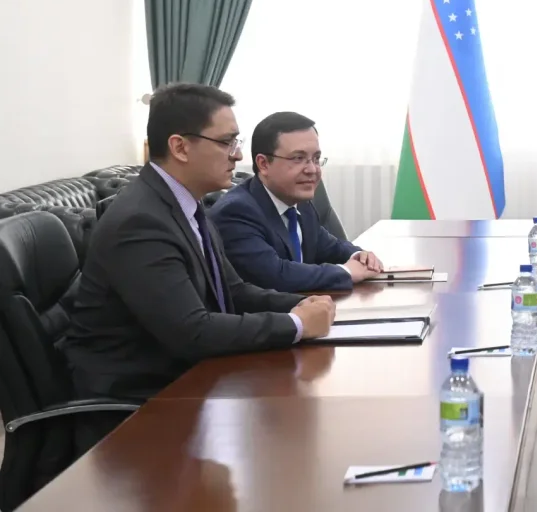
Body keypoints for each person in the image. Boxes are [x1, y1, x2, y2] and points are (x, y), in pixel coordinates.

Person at [62, 84, 336, 418]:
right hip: (140, 405)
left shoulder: (184, 203)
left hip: (189, 378)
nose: (237, 155)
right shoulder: (140, 221)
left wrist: (304, 305)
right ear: (180, 147)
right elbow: (192, 332)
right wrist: (295, 324)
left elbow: (234, 291)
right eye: (226, 142)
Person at [210, 112, 383, 292]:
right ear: (263, 164)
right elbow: (274, 276)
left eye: (316, 159)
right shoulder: (237, 211)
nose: (312, 169)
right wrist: (346, 271)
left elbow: (331, 247)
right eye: (298, 158)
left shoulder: (300, 203)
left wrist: (360, 256)